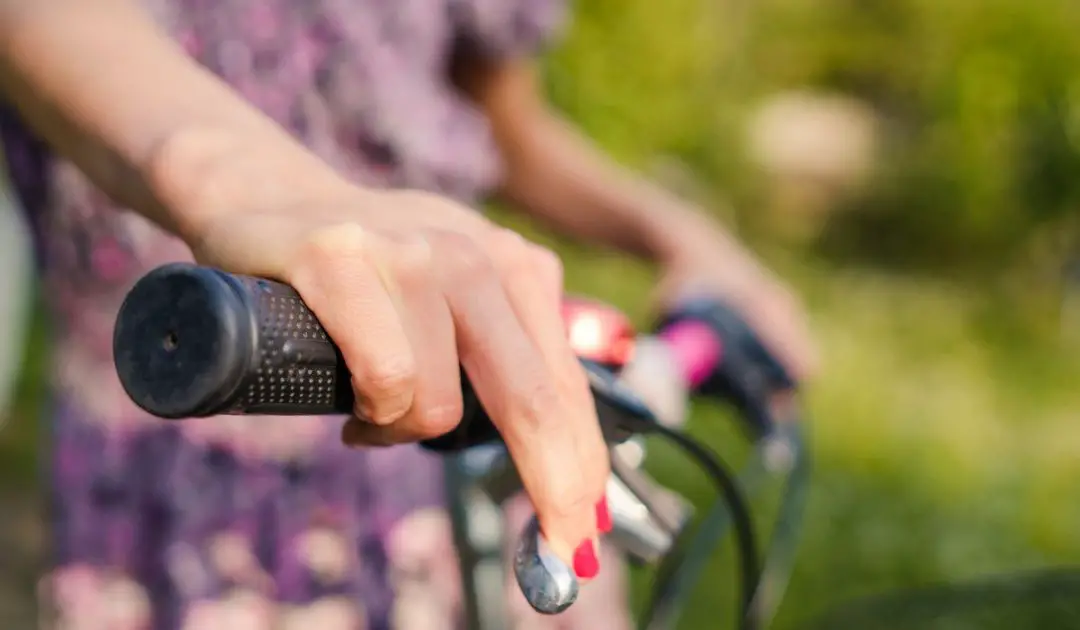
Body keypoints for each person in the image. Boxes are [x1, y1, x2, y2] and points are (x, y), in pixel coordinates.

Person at [0, 1, 816, 628]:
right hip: (170, 464)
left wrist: (681, 234)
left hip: (455, 436)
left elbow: (506, 129)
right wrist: (255, 185)